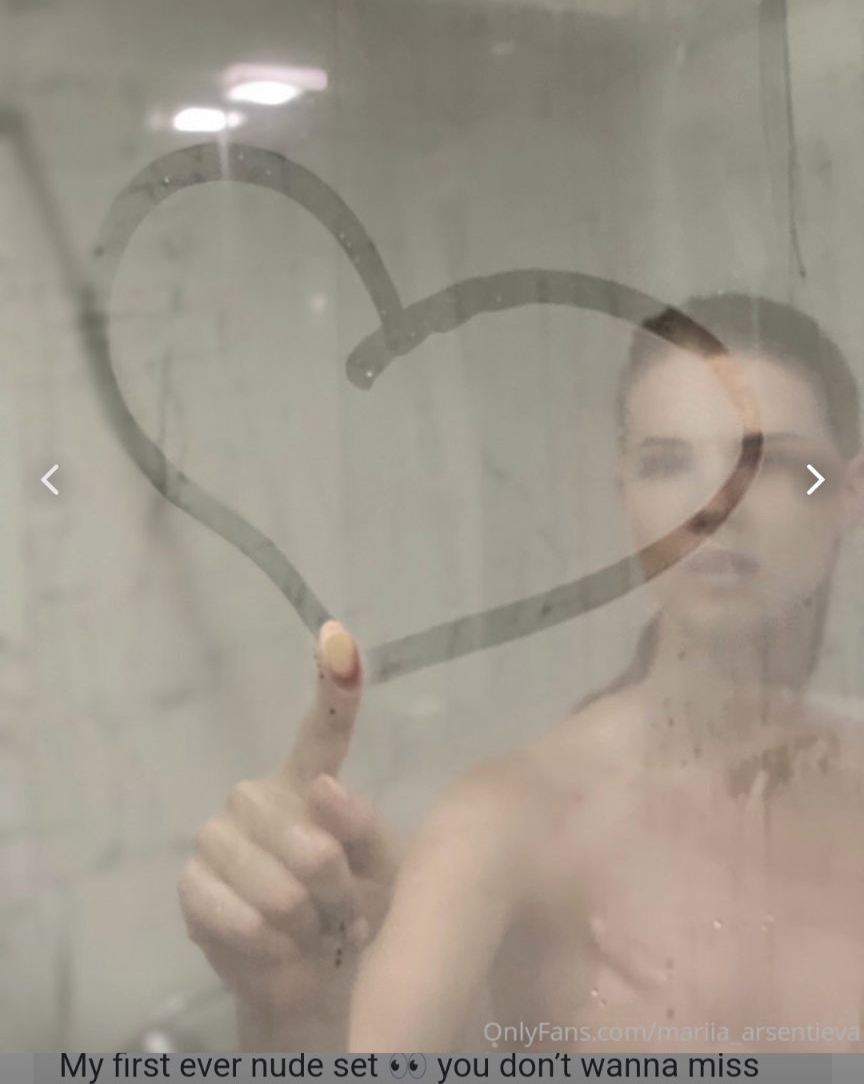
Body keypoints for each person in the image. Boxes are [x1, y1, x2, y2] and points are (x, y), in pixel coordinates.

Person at [179, 293, 864, 1054]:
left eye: (778, 465)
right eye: (667, 462)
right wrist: (299, 1015)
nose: (715, 506)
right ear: (624, 496)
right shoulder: (510, 820)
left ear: (850, 495)